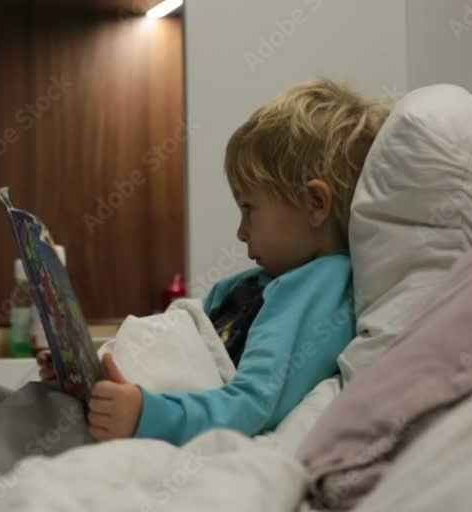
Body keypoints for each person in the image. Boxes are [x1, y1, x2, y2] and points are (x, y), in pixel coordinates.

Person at [39, 78, 390, 446]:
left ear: (316, 204)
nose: (241, 232)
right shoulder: (254, 284)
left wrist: (146, 415)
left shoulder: (320, 287)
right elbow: (180, 336)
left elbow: (252, 406)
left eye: (249, 208)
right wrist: (89, 367)